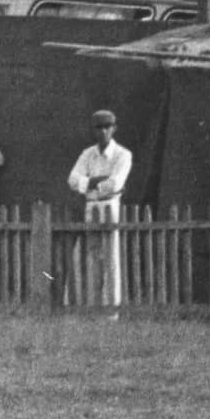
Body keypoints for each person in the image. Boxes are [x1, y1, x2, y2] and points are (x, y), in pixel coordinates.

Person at [67, 109, 132, 310]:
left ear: (114, 129)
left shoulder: (123, 154)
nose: (103, 131)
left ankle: (111, 310)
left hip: (110, 206)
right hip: (90, 207)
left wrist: (88, 182)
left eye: (107, 127)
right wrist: (97, 181)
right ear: (93, 130)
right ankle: (91, 306)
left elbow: (115, 183)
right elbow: (72, 180)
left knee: (111, 258)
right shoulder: (87, 154)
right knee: (90, 256)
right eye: (99, 127)